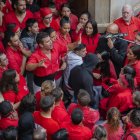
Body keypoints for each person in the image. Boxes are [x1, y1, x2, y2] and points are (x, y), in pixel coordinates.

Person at [20, 18, 39, 93]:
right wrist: (36, 46)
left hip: (36, 57)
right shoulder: (24, 39)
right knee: (30, 81)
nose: (38, 28)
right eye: (35, 27)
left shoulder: (35, 32)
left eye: (37, 26)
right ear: (29, 28)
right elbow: (27, 54)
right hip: (28, 62)